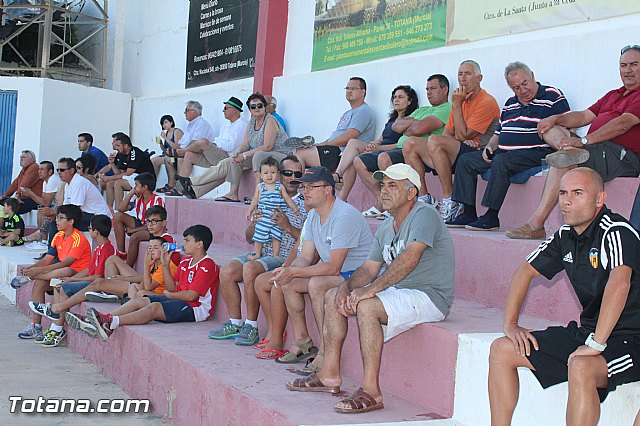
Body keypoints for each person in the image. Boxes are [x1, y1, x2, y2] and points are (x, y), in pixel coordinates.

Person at [286, 164, 455, 415]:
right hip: (400, 292)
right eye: (383, 185)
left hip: (429, 295)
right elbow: (368, 268)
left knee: (367, 305)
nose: (384, 191)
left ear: (411, 193)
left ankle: (371, 391)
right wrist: (346, 287)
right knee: (334, 295)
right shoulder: (387, 225)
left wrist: (370, 291)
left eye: (393, 186)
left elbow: (409, 259)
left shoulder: (424, 214)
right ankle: (328, 374)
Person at [488, 167, 640, 426]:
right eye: (562, 193)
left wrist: (596, 344)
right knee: (502, 349)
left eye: (577, 193)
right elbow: (524, 272)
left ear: (599, 199)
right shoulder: (564, 236)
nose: (566, 201)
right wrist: (510, 324)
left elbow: (620, 284)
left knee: (581, 366)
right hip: (592, 333)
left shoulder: (615, 231)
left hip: (632, 339)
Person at [507, 46, 640, 239]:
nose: (627, 70)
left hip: (622, 156)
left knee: (564, 159)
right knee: (549, 130)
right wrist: (556, 119)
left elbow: (623, 124)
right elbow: (584, 116)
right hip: (594, 150)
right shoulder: (614, 94)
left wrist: (585, 140)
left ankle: (536, 224)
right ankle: (569, 150)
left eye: (634, 65)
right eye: (623, 65)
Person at [445, 62, 571, 230]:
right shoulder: (510, 103)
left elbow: (567, 124)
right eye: (516, 88)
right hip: (505, 151)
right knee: (467, 160)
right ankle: (468, 212)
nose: (522, 90)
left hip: (537, 151)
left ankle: (491, 217)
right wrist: (489, 148)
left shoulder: (552, 95)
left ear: (532, 76)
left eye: (525, 83)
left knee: (502, 162)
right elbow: (498, 133)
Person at [273, 167, 373, 371]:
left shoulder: (344, 215)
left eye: (311, 187)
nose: (304, 191)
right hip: (338, 272)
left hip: (360, 274)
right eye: (303, 186)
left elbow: (334, 268)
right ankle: (302, 340)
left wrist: (294, 271)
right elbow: (305, 257)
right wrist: (288, 271)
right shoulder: (312, 216)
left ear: (328, 190)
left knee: (317, 284)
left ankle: (326, 351)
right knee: (289, 282)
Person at [208, 156, 307, 347]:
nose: (292, 178)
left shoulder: (304, 203)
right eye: (288, 173)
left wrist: (287, 226)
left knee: (250, 268)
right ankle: (235, 322)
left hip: (284, 257)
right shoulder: (262, 194)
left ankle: (251, 326)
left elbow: (307, 243)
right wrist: (255, 222)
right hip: (261, 251)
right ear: (278, 174)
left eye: (298, 174)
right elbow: (248, 237)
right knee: (227, 270)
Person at [73, 225, 220, 341]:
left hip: (196, 309)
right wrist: (164, 265)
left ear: (199, 244)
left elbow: (190, 296)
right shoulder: (186, 261)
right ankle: (103, 319)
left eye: (187, 240)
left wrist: (170, 295)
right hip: (180, 300)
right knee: (141, 299)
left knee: (154, 307)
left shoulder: (207, 265)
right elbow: (173, 287)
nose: (183, 244)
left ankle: (112, 322)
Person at [400, 61, 500, 218]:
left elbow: (465, 134)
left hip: (479, 152)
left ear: (479, 78)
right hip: (462, 148)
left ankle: (450, 200)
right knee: (409, 144)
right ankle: (424, 198)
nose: (463, 78)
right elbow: (447, 134)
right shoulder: (459, 100)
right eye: (460, 74)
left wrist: (457, 107)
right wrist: (458, 139)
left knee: (434, 140)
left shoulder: (485, 101)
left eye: (468, 74)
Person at [357, 76, 452, 216]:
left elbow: (418, 130)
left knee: (387, 156)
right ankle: (384, 202)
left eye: (433, 88)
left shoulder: (447, 108)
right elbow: (396, 126)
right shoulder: (422, 110)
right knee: (359, 160)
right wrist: (416, 124)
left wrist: (412, 125)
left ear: (445, 89)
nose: (429, 92)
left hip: (423, 151)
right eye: (427, 89)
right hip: (404, 148)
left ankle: (398, 203)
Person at [179, 93, 289, 201]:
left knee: (256, 155)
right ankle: (231, 194)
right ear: (250, 109)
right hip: (261, 156)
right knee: (232, 161)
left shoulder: (269, 120)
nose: (257, 108)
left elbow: (268, 146)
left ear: (264, 107)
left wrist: (244, 156)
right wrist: (239, 152)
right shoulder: (251, 122)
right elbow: (246, 144)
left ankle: (192, 182)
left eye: (260, 105)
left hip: (279, 154)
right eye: (253, 106)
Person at [27, 214, 113, 347]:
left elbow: (98, 277)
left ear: (96, 231)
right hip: (88, 280)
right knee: (59, 283)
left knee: (64, 287)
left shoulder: (107, 249)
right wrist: (71, 279)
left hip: (96, 286)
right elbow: (89, 270)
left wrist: (71, 280)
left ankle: (57, 329)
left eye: (90, 228)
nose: (89, 231)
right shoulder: (98, 248)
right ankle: (54, 325)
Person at [331, 84, 419, 205]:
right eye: (394, 97)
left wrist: (379, 147)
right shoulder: (391, 120)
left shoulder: (410, 119)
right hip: (380, 149)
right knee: (353, 150)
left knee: (356, 151)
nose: (396, 100)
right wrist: (374, 144)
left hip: (393, 152)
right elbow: (381, 139)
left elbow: (402, 144)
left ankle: (338, 179)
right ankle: (378, 197)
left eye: (400, 97)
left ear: (410, 101)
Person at [17, 205, 92, 341]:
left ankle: (57, 329)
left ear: (71, 221)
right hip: (60, 274)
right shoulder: (58, 235)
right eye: (57, 217)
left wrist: (36, 272)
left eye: (60, 218)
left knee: (64, 272)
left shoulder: (78, 239)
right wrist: (32, 268)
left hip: (78, 277)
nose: (56, 220)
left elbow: (65, 264)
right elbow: (47, 259)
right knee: (40, 283)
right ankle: (36, 326)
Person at [294, 77, 376, 172]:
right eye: (347, 88)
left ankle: (297, 183)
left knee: (299, 153)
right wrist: (319, 144)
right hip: (332, 149)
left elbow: (347, 138)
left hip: (339, 153)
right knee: (296, 151)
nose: (349, 91)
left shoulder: (362, 112)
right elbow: (336, 136)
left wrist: (323, 146)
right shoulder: (348, 112)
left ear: (363, 92)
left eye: (353, 88)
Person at [172, 97, 248, 196]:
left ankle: (181, 152)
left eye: (226, 108)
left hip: (227, 157)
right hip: (217, 156)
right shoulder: (225, 125)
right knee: (190, 154)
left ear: (234, 110)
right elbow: (219, 140)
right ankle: (179, 187)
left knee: (203, 142)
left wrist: (214, 145)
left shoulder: (241, 126)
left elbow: (230, 146)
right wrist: (214, 144)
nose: (223, 110)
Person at [245, 157, 300, 260]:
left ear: (277, 174)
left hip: (276, 221)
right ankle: (257, 254)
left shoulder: (281, 188)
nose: (269, 175)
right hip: (264, 218)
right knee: (259, 236)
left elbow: (287, 198)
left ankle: (276, 255)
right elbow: (254, 200)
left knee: (276, 236)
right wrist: (250, 214)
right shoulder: (260, 188)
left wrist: (295, 209)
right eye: (288, 173)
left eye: (273, 172)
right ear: (261, 175)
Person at [112, 172, 164, 264]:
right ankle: (122, 253)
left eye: (136, 185)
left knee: (135, 237)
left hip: (154, 230)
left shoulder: (157, 200)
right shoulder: (138, 198)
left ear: (145, 187)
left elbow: (156, 225)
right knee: (117, 216)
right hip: (142, 224)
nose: (134, 187)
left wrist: (133, 230)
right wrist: (131, 193)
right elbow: (121, 209)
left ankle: (127, 267)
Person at [97, 133, 156, 209]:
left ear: (125, 145)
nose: (116, 148)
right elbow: (119, 173)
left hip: (145, 179)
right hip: (134, 178)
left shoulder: (134, 153)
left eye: (118, 146)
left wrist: (109, 177)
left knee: (118, 183)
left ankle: (118, 209)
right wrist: (112, 164)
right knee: (110, 184)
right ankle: (109, 209)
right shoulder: (120, 154)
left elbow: (128, 173)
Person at [54, 157, 112, 233]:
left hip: (99, 218)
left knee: (62, 221)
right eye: (57, 170)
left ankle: (55, 244)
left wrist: (53, 212)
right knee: (58, 220)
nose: (59, 172)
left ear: (71, 170)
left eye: (62, 170)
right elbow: (65, 207)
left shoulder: (79, 182)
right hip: (87, 214)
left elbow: (73, 209)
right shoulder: (68, 184)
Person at [21, 160, 61, 243]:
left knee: (44, 210)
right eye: (39, 169)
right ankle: (41, 239)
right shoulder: (45, 182)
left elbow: (46, 203)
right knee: (41, 209)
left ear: (50, 172)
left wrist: (30, 194)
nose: (39, 172)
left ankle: (42, 239)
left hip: (60, 206)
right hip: (54, 206)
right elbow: (43, 201)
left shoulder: (53, 180)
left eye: (42, 169)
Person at [1, 150, 42, 214]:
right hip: (24, 198)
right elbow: (15, 183)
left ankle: (15, 223)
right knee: (2, 203)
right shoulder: (24, 169)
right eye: (20, 157)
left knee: (11, 207)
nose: (21, 159)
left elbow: (25, 183)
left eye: (24, 157)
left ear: (31, 160)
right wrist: (5, 195)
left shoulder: (34, 167)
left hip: (32, 199)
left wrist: (17, 195)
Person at [152, 114, 183, 193]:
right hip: (167, 153)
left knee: (168, 159)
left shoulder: (176, 131)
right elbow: (164, 149)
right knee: (153, 161)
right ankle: (151, 183)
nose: (164, 125)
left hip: (175, 155)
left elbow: (176, 146)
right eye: (162, 123)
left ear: (171, 122)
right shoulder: (166, 133)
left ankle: (171, 184)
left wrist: (165, 138)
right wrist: (161, 143)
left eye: (165, 122)